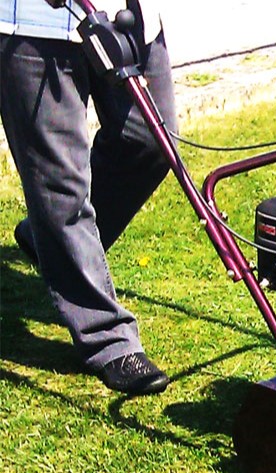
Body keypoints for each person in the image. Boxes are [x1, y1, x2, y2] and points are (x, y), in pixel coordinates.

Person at [0, 0, 177, 394]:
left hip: (130, 17)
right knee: (60, 188)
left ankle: (45, 240)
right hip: (36, 25)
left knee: (151, 140)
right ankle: (107, 339)